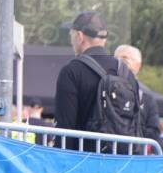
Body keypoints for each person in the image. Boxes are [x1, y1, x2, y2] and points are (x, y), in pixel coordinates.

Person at [54, 11, 142, 151]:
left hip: (84, 162)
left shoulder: (71, 72)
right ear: (104, 40)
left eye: (71, 35)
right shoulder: (126, 73)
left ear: (79, 36)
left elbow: (64, 128)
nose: (71, 41)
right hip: (122, 163)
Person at [114, 44, 161, 144]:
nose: (120, 62)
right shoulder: (104, 90)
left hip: (136, 154)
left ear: (138, 65)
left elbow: (154, 132)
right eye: (116, 59)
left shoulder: (146, 98)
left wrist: (130, 132)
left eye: (125, 59)